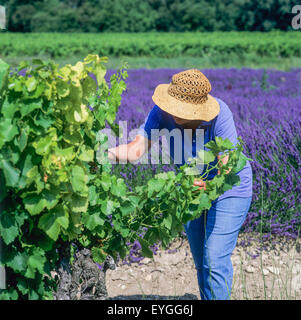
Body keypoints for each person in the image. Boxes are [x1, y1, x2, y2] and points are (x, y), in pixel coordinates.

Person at [108, 69, 253, 300]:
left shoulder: (220, 114)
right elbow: (135, 150)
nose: (175, 114)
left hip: (229, 189)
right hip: (190, 189)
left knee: (214, 257)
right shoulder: (161, 113)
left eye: (182, 111)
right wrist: (97, 155)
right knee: (202, 261)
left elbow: (227, 165)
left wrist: (210, 185)